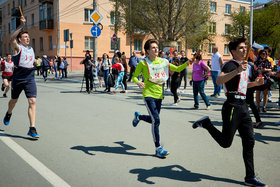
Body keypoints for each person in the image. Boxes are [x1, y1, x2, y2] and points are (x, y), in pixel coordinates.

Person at [192, 38, 266, 187]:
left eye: (245, 48)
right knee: (226, 143)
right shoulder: (230, 64)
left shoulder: (247, 66)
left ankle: (250, 176)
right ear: (233, 51)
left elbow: (243, 86)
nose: (244, 50)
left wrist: (256, 84)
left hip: (243, 106)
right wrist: (237, 70)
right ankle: (207, 124)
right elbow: (219, 81)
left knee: (249, 142)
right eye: (241, 48)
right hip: (231, 106)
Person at [132, 39, 189, 158]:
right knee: (156, 120)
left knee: (154, 119)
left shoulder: (163, 61)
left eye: (157, 47)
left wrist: (187, 63)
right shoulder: (143, 63)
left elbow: (177, 69)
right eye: (153, 47)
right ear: (147, 51)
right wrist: (139, 83)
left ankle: (139, 117)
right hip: (148, 94)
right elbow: (135, 77)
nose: (156, 49)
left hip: (159, 94)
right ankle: (158, 148)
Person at [3, 16, 39, 138]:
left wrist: (34, 62)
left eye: (28, 37)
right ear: (20, 39)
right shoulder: (17, 48)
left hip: (30, 79)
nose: (28, 38)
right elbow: (12, 38)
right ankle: (8, 113)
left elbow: (30, 60)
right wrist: (20, 26)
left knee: (32, 101)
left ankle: (32, 128)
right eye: (25, 37)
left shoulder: (31, 49)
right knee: (14, 101)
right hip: (18, 79)